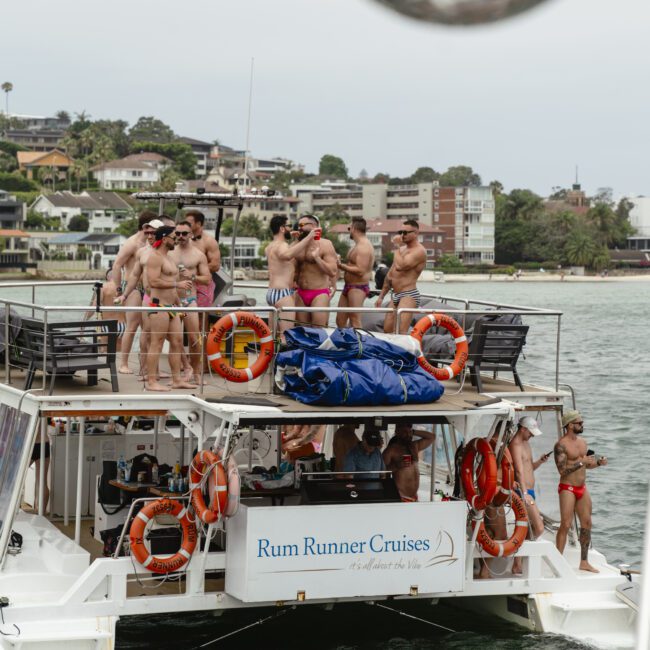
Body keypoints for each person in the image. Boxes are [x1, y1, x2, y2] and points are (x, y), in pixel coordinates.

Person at [143, 226, 196, 392]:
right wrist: (177, 283)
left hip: (172, 307)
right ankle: (152, 381)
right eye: (174, 237)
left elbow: (171, 286)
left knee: (177, 342)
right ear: (165, 238)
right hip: (158, 306)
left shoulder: (170, 258)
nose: (177, 239)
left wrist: (178, 303)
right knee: (156, 343)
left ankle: (176, 380)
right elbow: (153, 282)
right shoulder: (155, 257)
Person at [554, 410, 608, 573]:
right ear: (570, 425)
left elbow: (587, 464)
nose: (582, 425)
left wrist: (598, 463)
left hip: (581, 488)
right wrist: (580, 463)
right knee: (566, 524)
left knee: (587, 523)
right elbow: (562, 471)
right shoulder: (561, 445)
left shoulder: (583, 442)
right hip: (567, 488)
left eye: (582, 423)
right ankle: (557, 562)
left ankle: (584, 562)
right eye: (579, 423)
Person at [110, 211, 158, 373]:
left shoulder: (153, 242)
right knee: (132, 325)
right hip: (133, 288)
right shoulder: (132, 243)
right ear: (145, 226)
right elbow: (117, 265)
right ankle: (123, 363)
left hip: (149, 288)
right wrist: (118, 290)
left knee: (149, 328)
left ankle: (146, 366)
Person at [169, 220, 211, 383]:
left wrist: (191, 276)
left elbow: (207, 279)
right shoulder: (169, 252)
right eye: (177, 233)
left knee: (195, 338)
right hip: (172, 300)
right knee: (174, 339)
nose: (180, 236)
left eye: (184, 233)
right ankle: (180, 373)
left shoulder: (198, 255)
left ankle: (196, 374)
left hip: (189, 299)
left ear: (191, 234)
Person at [509, 415, 549, 574]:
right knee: (539, 528)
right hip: (523, 492)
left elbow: (528, 468)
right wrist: (524, 493)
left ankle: (517, 562)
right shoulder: (516, 444)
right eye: (530, 432)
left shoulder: (526, 443)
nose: (532, 435)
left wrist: (540, 461)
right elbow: (519, 471)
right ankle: (517, 560)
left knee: (525, 529)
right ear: (523, 429)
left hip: (529, 491)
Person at [265, 215, 316, 339]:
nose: (291, 229)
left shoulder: (270, 246)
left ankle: (272, 358)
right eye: (288, 226)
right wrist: (308, 238)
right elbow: (287, 255)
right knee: (286, 335)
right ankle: (284, 358)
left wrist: (297, 240)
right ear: (282, 229)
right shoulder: (282, 246)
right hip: (283, 294)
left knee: (272, 335)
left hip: (271, 293)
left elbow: (283, 257)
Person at [375, 220, 427, 334]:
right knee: (387, 329)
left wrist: (398, 246)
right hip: (396, 294)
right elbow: (391, 274)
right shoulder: (401, 250)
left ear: (416, 233)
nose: (402, 235)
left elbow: (401, 266)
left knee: (400, 331)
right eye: (401, 232)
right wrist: (381, 296)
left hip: (409, 295)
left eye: (405, 232)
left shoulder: (419, 251)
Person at [293, 214, 338, 327]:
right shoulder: (298, 245)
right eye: (298, 225)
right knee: (302, 331)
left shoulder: (325, 244)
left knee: (318, 332)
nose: (299, 228)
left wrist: (317, 258)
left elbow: (332, 271)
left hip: (319, 293)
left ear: (313, 226)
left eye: (302, 225)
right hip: (300, 293)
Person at [336, 218, 375, 329]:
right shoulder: (356, 245)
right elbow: (353, 265)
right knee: (340, 320)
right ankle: (344, 343)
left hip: (358, 287)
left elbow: (360, 270)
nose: (349, 231)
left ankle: (359, 345)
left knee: (355, 320)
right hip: (348, 286)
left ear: (354, 229)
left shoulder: (364, 247)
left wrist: (341, 266)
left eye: (349, 228)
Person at [382, 423, 435, 501]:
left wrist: (413, 431)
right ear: (397, 431)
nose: (408, 435)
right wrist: (396, 466)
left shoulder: (415, 446)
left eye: (409, 432)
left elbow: (432, 437)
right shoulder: (391, 450)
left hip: (414, 497)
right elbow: (381, 472)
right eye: (404, 432)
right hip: (400, 497)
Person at [185, 210, 221, 307]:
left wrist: (196, 270)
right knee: (184, 314)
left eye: (189, 223)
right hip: (187, 284)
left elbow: (215, 265)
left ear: (199, 224)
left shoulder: (209, 241)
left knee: (201, 315)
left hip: (203, 285)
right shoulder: (183, 239)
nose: (186, 225)